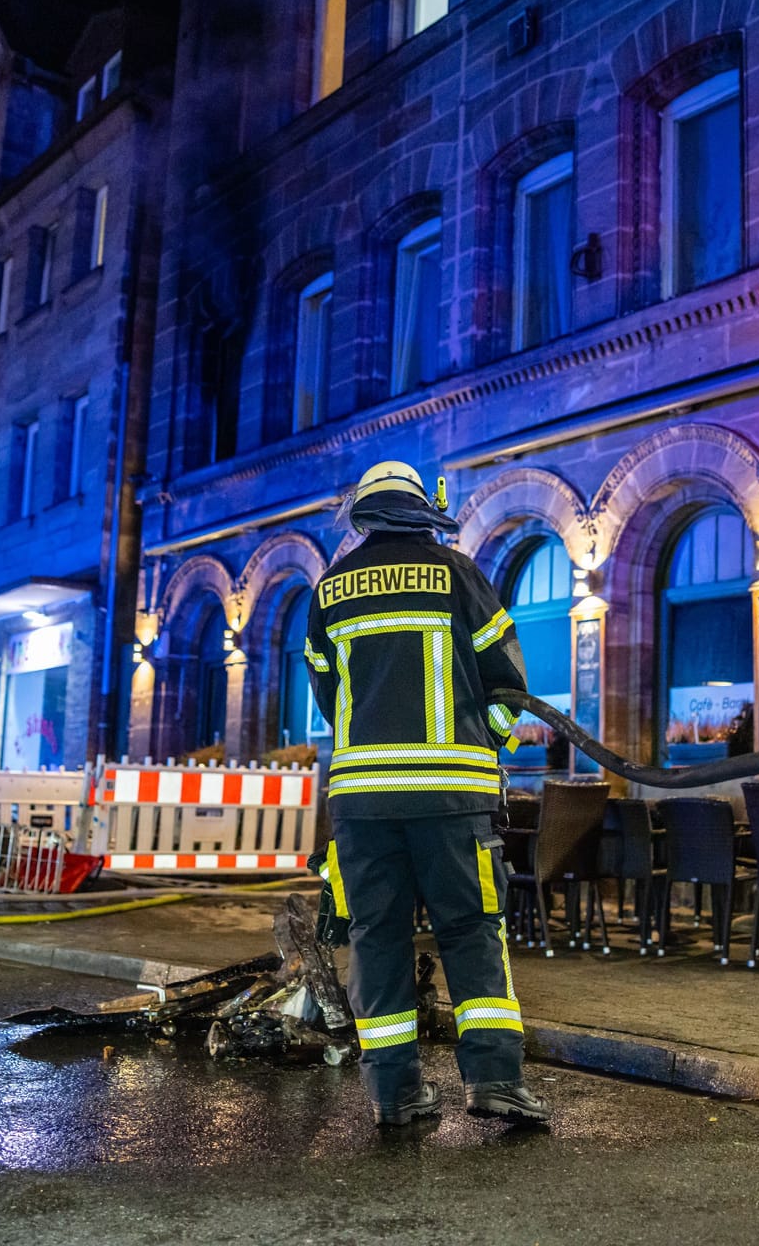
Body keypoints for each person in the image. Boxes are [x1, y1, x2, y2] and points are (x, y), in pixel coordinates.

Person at [306, 461, 550, 1127]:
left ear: (366, 515)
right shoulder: (458, 574)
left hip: (361, 804)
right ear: (420, 511)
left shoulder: (328, 590)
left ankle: (393, 1091)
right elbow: (509, 682)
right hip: (452, 803)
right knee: (471, 932)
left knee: (377, 938)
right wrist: (482, 744)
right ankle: (495, 1081)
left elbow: (329, 696)